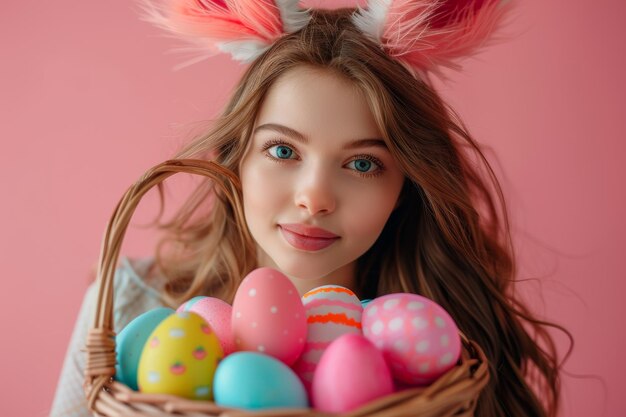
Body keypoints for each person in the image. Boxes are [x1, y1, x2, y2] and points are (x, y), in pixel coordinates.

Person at [50, 1, 571, 416]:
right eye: (283, 151)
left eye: (363, 164)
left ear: (405, 187)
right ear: (235, 160)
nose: (315, 198)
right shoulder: (127, 308)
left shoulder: (427, 351)